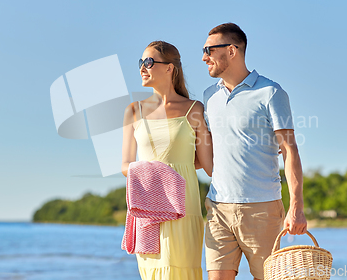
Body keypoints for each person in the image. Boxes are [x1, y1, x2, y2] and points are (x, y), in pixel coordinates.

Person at [201, 23, 307, 280]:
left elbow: (289, 150)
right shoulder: (209, 97)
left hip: (261, 209)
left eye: (209, 50)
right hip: (218, 208)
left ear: (232, 50)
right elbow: (209, 151)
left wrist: (296, 206)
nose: (204, 57)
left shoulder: (270, 92)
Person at [121, 40, 213, 280]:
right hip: (148, 210)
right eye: (141, 62)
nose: (143, 67)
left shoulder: (194, 109)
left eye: (149, 62)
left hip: (185, 208)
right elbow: (125, 165)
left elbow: (208, 164)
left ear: (170, 68)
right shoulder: (133, 110)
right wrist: (159, 173)